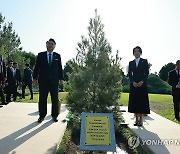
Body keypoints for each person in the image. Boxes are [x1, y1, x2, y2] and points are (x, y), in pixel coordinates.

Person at [33, 38, 64, 123]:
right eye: (48, 44)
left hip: (54, 81)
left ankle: (54, 115)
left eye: (52, 44)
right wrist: (34, 78)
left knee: (55, 98)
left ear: (54, 46)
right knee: (42, 98)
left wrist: (61, 78)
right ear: (46, 45)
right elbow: (36, 68)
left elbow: (60, 68)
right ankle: (41, 116)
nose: (50, 45)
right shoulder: (40, 55)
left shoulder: (57, 56)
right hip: (43, 81)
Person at [128, 46, 150, 126]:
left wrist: (142, 81)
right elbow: (130, 74)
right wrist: (133, 82)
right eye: (135, 51)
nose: (137, 52)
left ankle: (141, 119)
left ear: (140, 53)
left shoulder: (144, 61)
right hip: (134, 85)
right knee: (135, 102)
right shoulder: (131, 63)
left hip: (142, 85)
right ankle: (136, 119)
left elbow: (147, 73)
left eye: (138, 51)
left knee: (141, 102)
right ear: (133, 53)